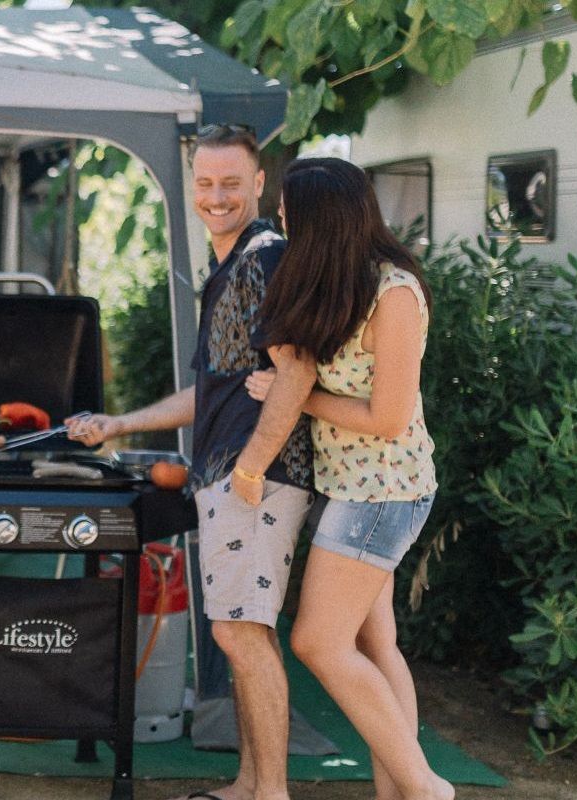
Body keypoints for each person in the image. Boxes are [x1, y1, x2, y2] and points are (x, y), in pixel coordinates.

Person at [69, 123, 312, 800]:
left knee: (242, 632)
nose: (216, 196)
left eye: (231, 183)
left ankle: (271, 795)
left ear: (258, 185)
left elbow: (297, 370)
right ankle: (247, 784)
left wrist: (251, 470)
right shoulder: (228, 268)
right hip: (230, 476)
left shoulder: (267, 257)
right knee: (236, 632)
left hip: (256, 479)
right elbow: (209, 388)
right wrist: (119, 423)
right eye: (204, 183)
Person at [234, 157, 453, 800]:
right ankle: (401, 792)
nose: (279, 221)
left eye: (288, 213)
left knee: (318, 642)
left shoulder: (394, 295)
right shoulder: (342, 281)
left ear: (320, 221)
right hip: (353, 487)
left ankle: (424, 786)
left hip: (384, 493)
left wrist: (293, 396)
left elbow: (386, 419)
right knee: (374, 639)